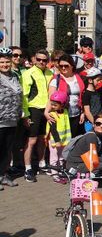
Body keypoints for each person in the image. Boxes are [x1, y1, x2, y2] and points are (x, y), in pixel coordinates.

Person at [21, 50, 53, 182]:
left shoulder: (50, 73)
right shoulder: (28, 73)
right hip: (33, 109)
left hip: (46, 109)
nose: (41, 62)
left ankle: (41, 164)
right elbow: (23, 96)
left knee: (42, 139)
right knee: (31, 140)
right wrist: (25, 114)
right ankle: (28, 168)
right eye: (39, 59)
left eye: (44, 60)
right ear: (34, 59)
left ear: (47, 61)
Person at [0, 48, 27, 189]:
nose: (5, 65)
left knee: (6, 149)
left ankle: (3, 175)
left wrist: (21, 111)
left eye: (7, 62)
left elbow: (19, 95)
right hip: (0, 118)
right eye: (2, 62)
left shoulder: (14, 76)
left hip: (12, 118)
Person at [46, 54, 85, 138]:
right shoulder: (56, 79)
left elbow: (82, 96)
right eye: (61, 66)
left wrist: (83, 112)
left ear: (72, 66)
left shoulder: (78, 77)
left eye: (66, 66)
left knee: (75, 139)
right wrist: (46, 112)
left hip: (76, 114)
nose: (63, 68)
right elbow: (50, 98)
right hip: (61, 115)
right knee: (63, 140)